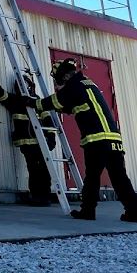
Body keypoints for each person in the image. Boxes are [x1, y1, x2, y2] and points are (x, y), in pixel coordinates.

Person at [32, 58, 137, 222]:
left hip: (97, 140)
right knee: (119, 177)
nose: (59, 84)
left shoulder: (74, 85)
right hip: (114, 139)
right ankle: (134, 211)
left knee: (92, 177)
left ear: (65, 76)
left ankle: (88, 211)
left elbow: (54, 102)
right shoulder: (88, 84)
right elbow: (69, 105)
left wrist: (33, 103)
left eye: (59, 80)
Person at [0, 73, 56, 205]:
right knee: (33, 169)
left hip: (41, 142)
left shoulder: (37, 101)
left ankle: (45, 196)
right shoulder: (15, 100)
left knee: (43, 168)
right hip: (27, 144)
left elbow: (48, 120)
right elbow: (1, 95)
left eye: (26, 85)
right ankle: (37, 196)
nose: (24, 88)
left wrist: (51, 137)